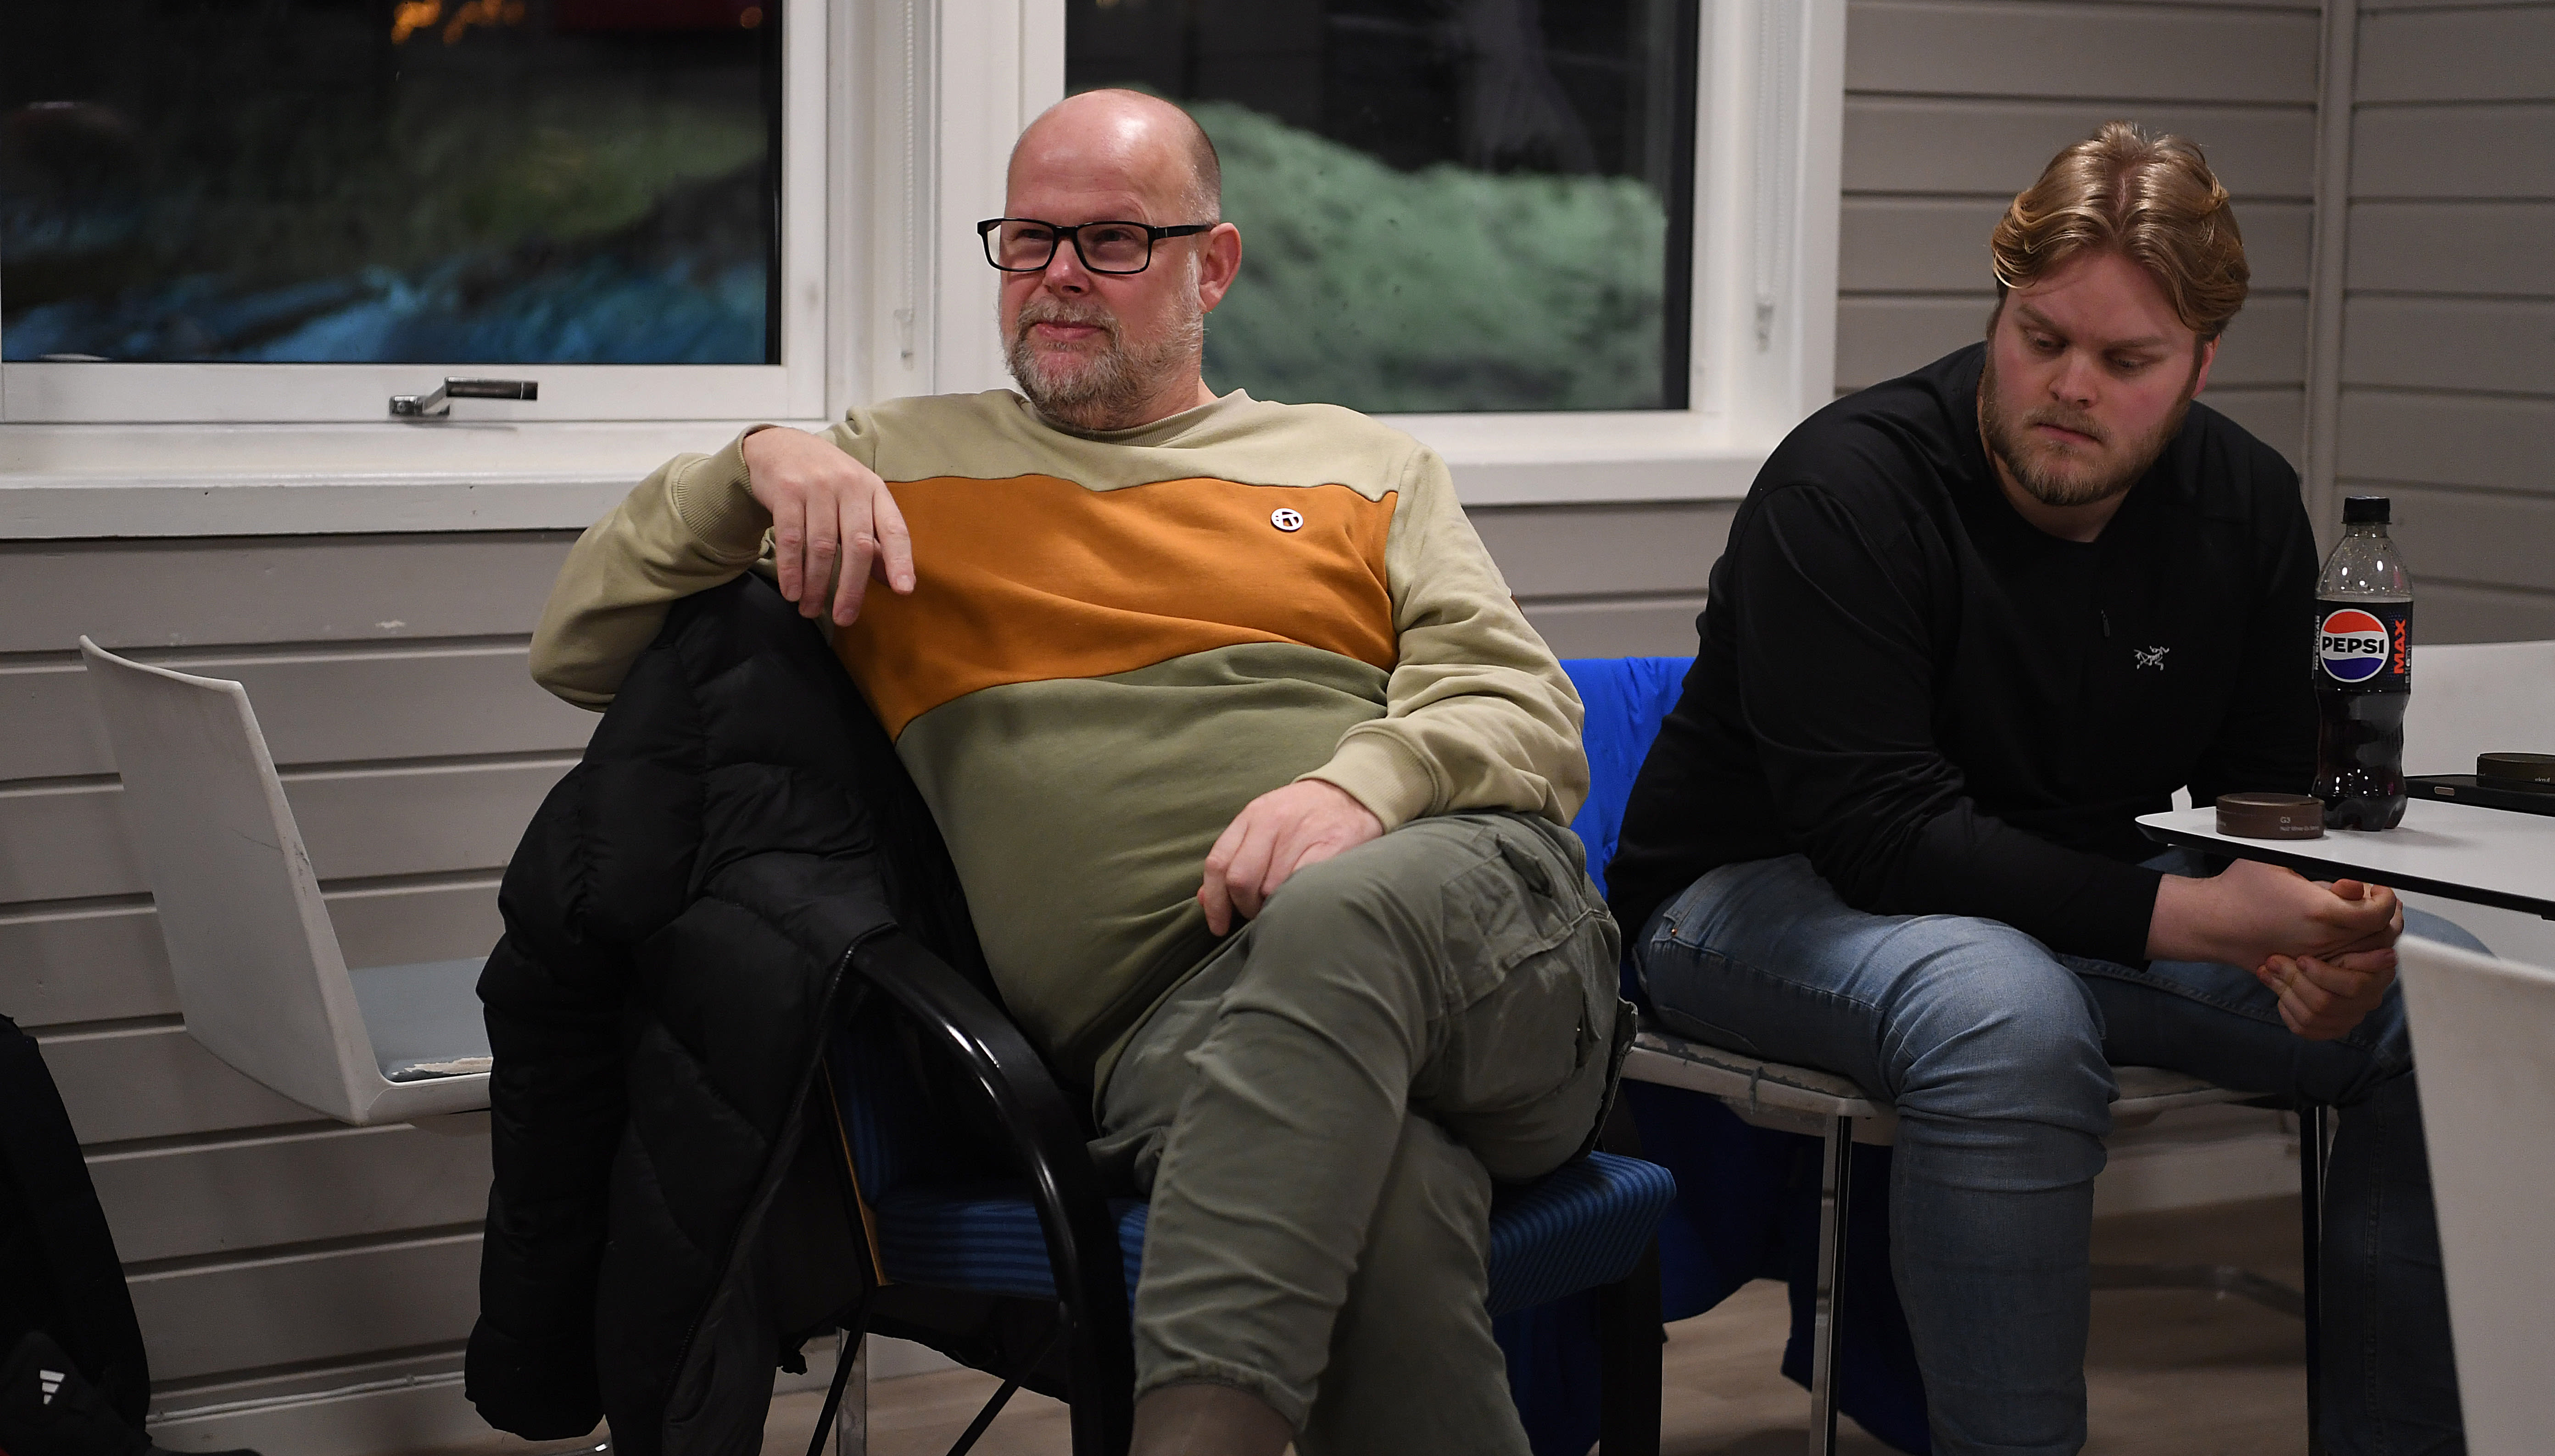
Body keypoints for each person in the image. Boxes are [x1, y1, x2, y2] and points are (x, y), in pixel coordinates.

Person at [527, 89, 1622, 1456]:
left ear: (1211, 266)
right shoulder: (900, 471)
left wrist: (1359, 790)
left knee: (1336, 916)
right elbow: (576, 646)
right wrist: (751, 466)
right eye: (1030, 239)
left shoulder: (1366, 465)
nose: (1056, 275)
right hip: (1173, 1042)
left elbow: (1526, 707)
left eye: (1111, 240)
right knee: (1385, 1204)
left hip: (1476, 949)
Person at [1610, 122, 2477, 1456]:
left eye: (2127, 361)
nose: (2072, 386)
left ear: (2199, 364)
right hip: (1757, 893)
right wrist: (2205, 922)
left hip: (2066, 894)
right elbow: (1881, 836)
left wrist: (2318, 931)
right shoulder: (1849, 485)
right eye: (2041, 338)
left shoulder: (2244, 501)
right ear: (2000, 312)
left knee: (2451, 995)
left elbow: (2256, 798)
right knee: (2002, 1013)